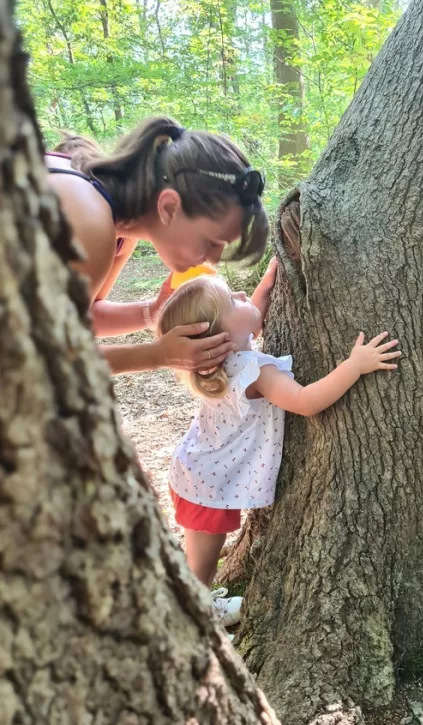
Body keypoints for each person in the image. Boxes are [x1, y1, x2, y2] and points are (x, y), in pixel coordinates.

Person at [157, 270, 401, 627]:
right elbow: (305, 401)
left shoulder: (224, 360)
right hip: (208, 488)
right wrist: (355, 365)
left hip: (196, 472)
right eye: (232, 299)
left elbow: (246, 326)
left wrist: (265, 289)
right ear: (221, 336)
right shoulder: (255, 372)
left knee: (197, 561)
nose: (242, 294)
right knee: (202, 568)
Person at [45, 116, 269, 375]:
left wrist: (152, 312)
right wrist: (158, 355)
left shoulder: (121, 231)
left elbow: (83, 314)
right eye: (210, 242)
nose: (213, 260)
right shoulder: (88, 223)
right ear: (169, 207)